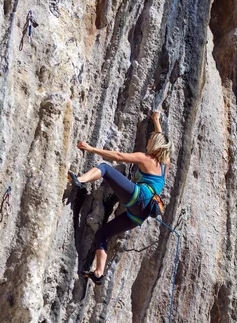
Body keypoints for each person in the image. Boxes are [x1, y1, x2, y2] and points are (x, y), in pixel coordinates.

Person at [68, 112, 172, 285]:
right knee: (102, 233)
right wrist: (156, 121)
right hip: (141, 215)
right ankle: (99, 273)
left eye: (150, 139)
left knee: (105, 169)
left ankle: (81, 180)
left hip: (140, 197)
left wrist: (91, 148)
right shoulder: (164, 164)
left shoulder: (145, 158)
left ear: (154, 144)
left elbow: (117, 156)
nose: (148, 141)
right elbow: (162, 141)